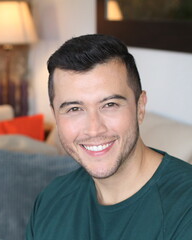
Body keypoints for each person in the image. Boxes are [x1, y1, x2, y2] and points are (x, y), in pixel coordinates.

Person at [26, 34, 192, 239]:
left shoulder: (185, 208)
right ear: (55, 117)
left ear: (140, 107)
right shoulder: (50, 200)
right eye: (74, 109)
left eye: (110, 105)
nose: (94, 129)